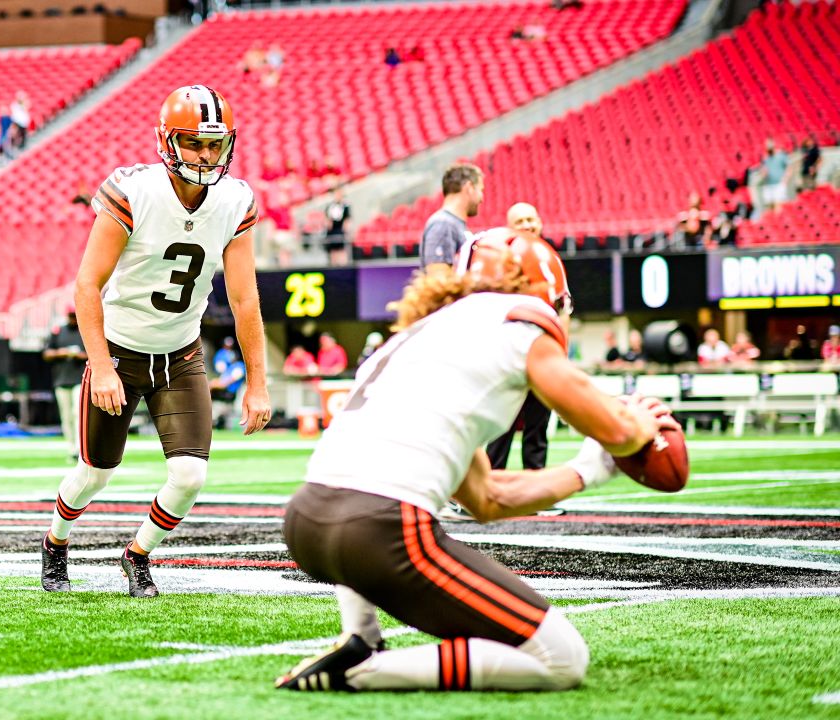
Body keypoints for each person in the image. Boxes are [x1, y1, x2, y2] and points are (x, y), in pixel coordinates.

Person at [274, 228, 676, 693]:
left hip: (306, 522)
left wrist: (588, 470)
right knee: (562, 659)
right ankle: (361, 674)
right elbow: (621, 431)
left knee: (366, 498)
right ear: (545, 288)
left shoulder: (427, 332)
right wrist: (641, 422)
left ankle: (360, 637)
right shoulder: (522, 320)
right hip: (378, 528)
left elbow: (487, 497)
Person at [40, 86, 272, 598]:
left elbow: (245, 300)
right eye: (195, 143)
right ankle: (56, 542)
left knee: (190, 475)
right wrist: (100, 365)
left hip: (180, 354)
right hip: (120, 351)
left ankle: (137, 554)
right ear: (168, 140)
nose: (207, 155)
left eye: (215, 144)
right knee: (95, 474)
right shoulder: (134, 189)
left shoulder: (236, 200)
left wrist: (258, 382)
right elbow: (86, 284)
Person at [486, 203, 554, 472]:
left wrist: (559, 350)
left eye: (530, 219)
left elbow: (563, 309)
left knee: (538, 426)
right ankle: (490, 484)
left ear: (540, 221)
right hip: (511, 353)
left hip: (543, 352)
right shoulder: (500, 263)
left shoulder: (550, 259)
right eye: (520, 221)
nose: (527, 225)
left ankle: (536, 488)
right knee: (501, 424)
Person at [44, 306, 88, 460]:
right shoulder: (58, 332)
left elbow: (94, 352)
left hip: (80, 378)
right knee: (66, 416)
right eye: (70, 316)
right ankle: (71, 448)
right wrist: (61, 353)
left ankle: (80, 447)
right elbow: (47, 353)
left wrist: (79, 355)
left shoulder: (85, 330)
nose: (73, 319)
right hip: (62, 379)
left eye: (75, 316)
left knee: (78, 413)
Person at [419, 164, 484, 267]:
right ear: (470, 187)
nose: (482, 198)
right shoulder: (443, 224)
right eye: (481, 190)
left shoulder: (453, 224)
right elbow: (438, 279)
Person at [209, 346, 247, 429]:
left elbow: (224, 383)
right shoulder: (229, 368)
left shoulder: (239, 367)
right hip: (221, 397)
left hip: (228, 397)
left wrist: (211, 385)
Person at [758, 139, 790, 214]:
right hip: (768, 184)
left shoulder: (781, 155)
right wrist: (764, 175)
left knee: (777, 204)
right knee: (769, 205)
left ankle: (778, 219)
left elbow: (788, 167)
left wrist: (785, 179)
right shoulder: (765, 158)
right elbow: (763, 170)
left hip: (778, 183)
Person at [323, 190, 350, 266]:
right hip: (332, 231)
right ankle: (333, 264)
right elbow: (327, 219)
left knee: (341, 249)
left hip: (340, 230)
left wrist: (345, 230)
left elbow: (347, 219)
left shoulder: (345, 206)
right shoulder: (330, 206)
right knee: (333, 249)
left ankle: (343, 265)